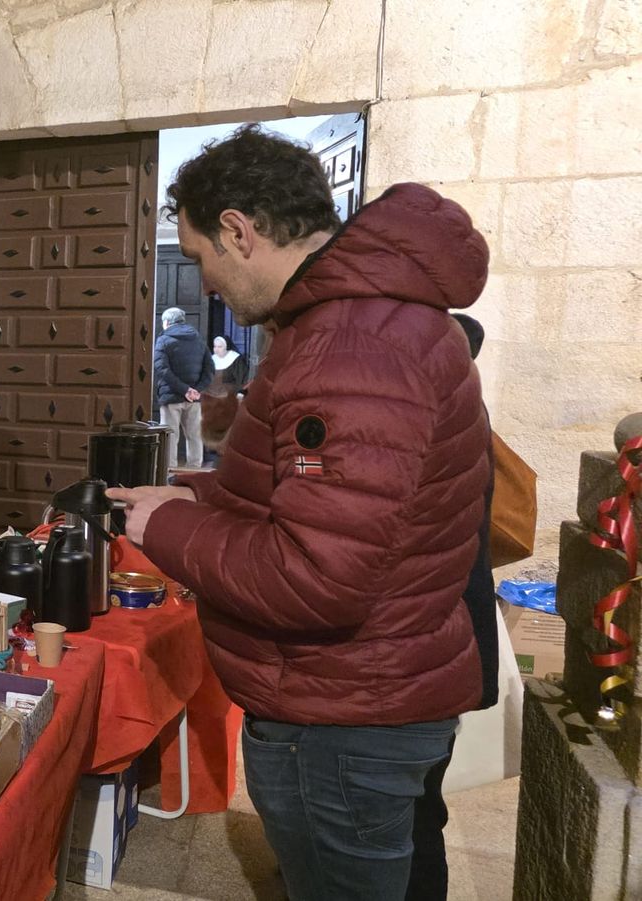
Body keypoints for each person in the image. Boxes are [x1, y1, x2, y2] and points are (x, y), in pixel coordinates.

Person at [107, 125, 493, 901]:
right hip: (365, 694)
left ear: (239, 231)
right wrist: (201, 493)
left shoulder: (349, 345)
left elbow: (317, 575)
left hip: (341, 715)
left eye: (202, 258)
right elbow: (326, 507)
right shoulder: (353, 322)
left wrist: (165, 528)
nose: (207, 285)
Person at [153, 306, 211, 469]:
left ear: (166, 322)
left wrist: (184, 390)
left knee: (169, 436)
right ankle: (194, 470)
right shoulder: (198, 340)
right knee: (194, 436)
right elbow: (209, 369)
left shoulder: (163, 340)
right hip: (193, 399)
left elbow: (162, 369)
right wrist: (196, 390)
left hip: (171, 396)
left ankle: (168, 470)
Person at [199, 333, 248, 453]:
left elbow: (241, 378)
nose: (216, 349)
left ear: (226, 347)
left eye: (219, 346)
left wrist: (239, 392)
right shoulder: (211, 360)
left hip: (228, 398)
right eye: (215, 346)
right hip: (212, 397)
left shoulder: (235, 359)